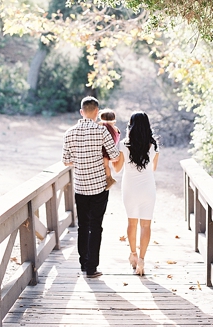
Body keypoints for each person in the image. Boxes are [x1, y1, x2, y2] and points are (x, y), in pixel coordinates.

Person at [62, 96, 120, 279]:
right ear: (97, 112)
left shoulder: (69, 133)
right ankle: (91, 268)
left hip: (80, 187)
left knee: (82, 226)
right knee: (96, 226)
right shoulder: (101, 131)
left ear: (81, 112)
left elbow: (65, 161)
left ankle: (83, 262)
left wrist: (79, 162)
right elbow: (115, 156)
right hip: (98, 187)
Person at [112, 111, 159, 276]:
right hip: (148, 189)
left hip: (130, 189)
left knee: (132, 223)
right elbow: (154, 168)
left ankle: (133, 254)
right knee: (146, 225)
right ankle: (142, 259)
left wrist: (112, 159)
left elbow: (117, 169)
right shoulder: (154, 145)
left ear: (130, 125)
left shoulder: (124, 144)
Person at [98, 109, 121, 190]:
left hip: (105, 150)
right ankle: (108, 178)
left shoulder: (104, 126)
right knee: (106, 165)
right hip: (112, 148)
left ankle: (109, 178)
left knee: (106, 165)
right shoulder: (115, 128)